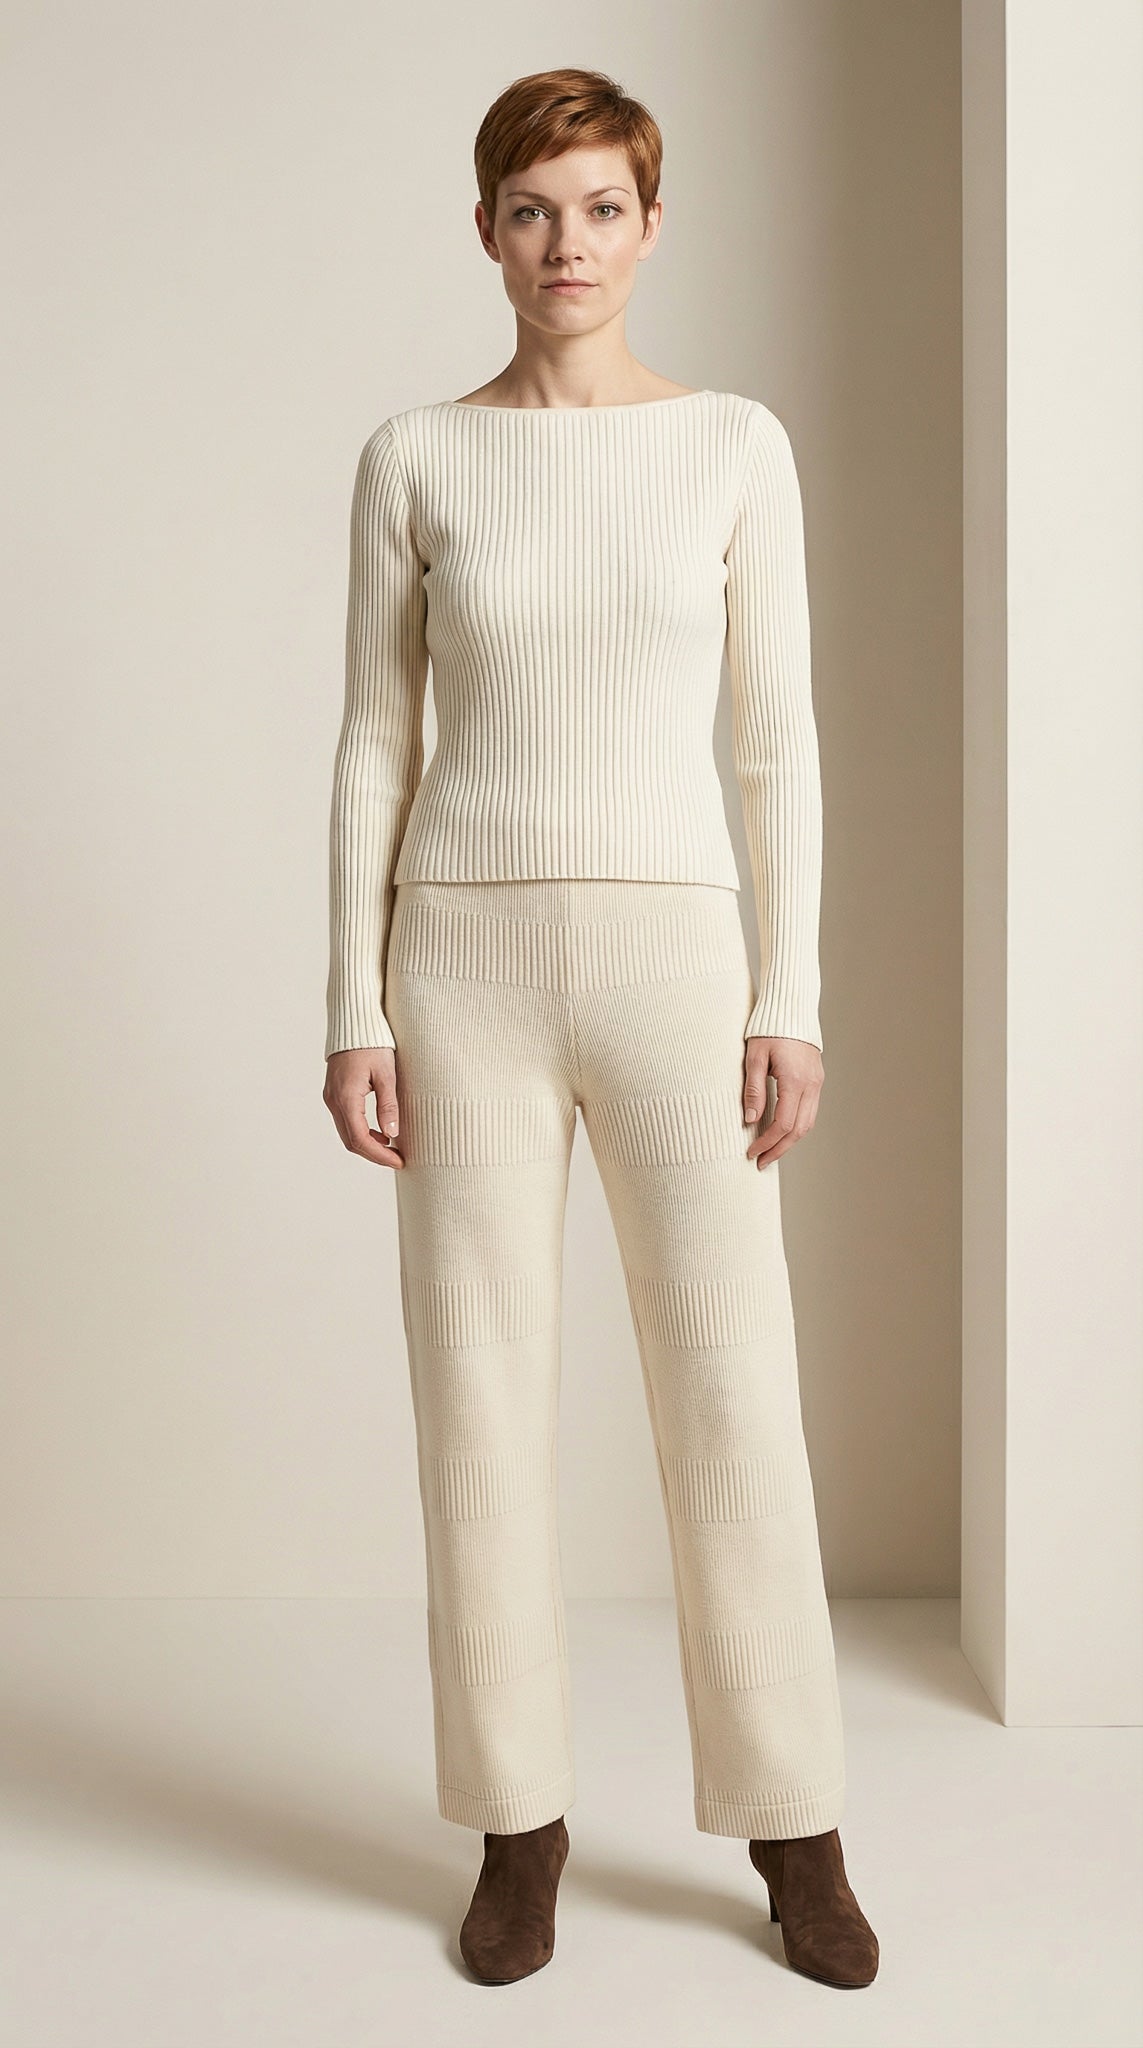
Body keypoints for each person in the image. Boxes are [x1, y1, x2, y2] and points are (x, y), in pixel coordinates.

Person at [322, 65, 879, 1993]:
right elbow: (375, 743)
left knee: (733, 1391)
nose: (567, 244)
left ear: (652, 226)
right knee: (477, 1393)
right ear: (486, 230)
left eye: (602, 208)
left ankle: (796, 1824)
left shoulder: (734, 446)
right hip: (460, 964)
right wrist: (350, 1001)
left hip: (674, 966)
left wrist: (791, 993)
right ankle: (518, 1825)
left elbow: (775, 741)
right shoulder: (415, 458)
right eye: (532, 209)